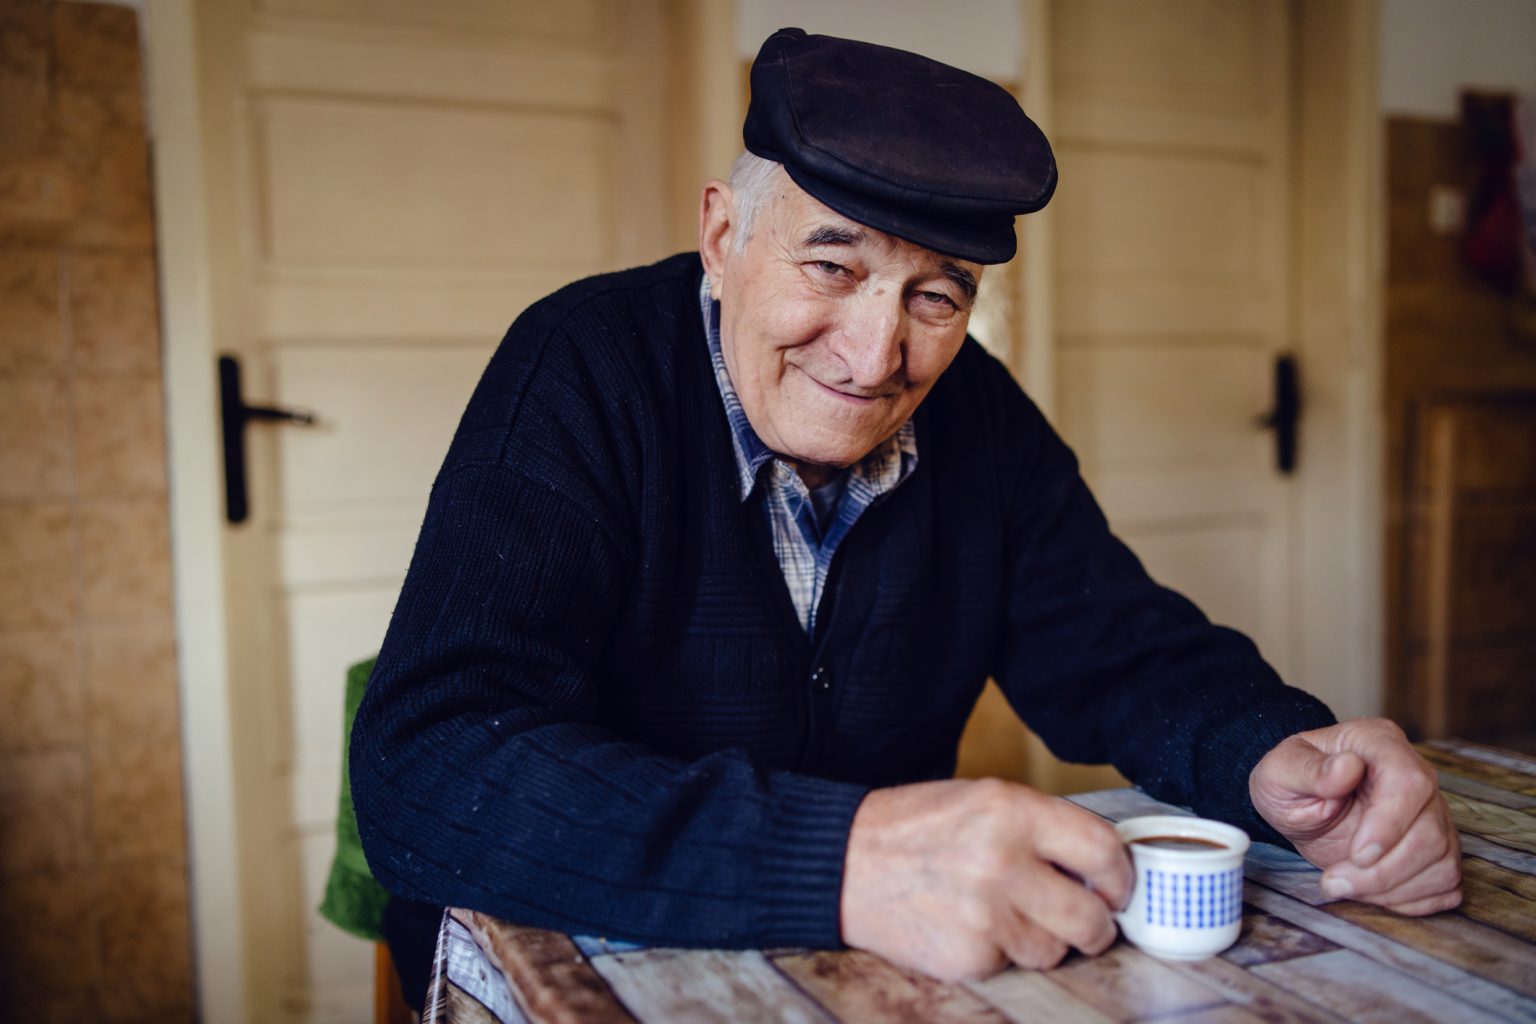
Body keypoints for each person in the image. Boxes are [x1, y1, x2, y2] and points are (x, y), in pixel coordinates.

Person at [351, 27, 1461, 1005]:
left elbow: (1123, 652)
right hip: (577, 961)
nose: (879, 355)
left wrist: (1275, 755)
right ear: (723, 234)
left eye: (937, 296)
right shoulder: (583, 366)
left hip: (860, 974)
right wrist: (844, 859)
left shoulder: (980, 416)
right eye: (831, 265)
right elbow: (427, 763)